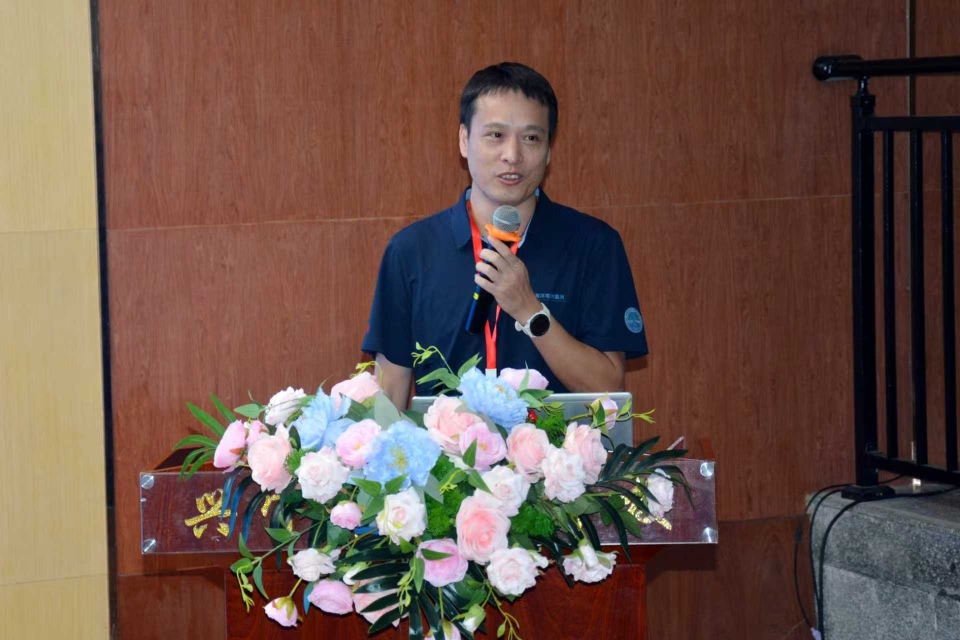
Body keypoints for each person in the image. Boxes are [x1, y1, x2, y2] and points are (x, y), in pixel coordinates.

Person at [362, 62, 648, 409]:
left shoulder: (594, 245)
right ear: (464, 140)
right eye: (496, 135)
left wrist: (529, 310)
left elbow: (608, 389)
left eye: (531, 138)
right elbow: (390, 397)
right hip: (447, 446)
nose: (512, 156)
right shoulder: (412, 251)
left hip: (559, 445)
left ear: (549, 150)